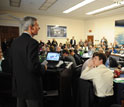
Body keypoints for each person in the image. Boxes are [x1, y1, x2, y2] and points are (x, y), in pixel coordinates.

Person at [10, 16, 47, 107]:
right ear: (31, 27)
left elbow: (11, 64)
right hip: (31, 88)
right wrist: (43, 67)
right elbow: (33, 66)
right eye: (37, 25)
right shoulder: (32, 43)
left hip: (19, 85)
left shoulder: (15, 42)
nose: (39, 27)